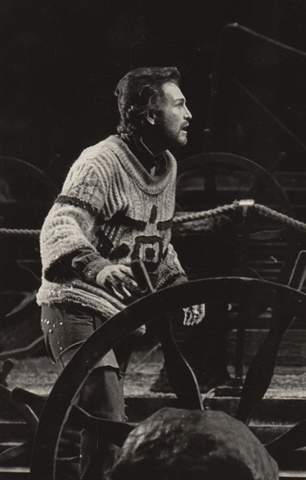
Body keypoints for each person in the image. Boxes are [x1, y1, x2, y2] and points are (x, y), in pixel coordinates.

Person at [37, 66, 205, 479]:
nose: (189, 114)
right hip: (72, 307)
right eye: (179, 104)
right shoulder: (101, 162)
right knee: (108, 413)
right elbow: (59, 226)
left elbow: (157, 244)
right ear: (149, 114)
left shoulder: (165, 166)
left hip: (116, 317)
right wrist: (98, 267)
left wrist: (181, 287)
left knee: (102, 430)